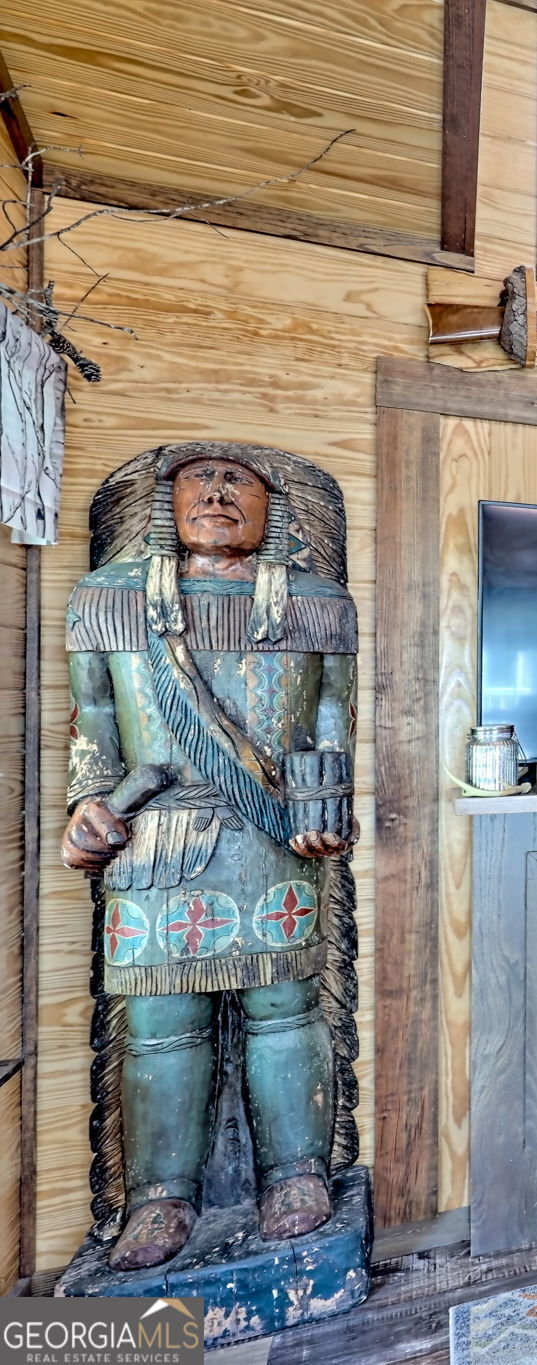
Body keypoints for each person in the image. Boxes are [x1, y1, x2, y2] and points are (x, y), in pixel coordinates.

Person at [63, 444, 358, 1271]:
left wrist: (323, 805)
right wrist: (89, 804)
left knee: (286, 1012)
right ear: (167, 501)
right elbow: (92, 719)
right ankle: (160, 1194)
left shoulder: (316, 602)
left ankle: (296, 1172)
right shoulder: (108, 599)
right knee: (161, 1025)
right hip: (156, 838)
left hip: (273, 837)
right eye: (202, 478)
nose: (221, 492)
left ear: (274, 509)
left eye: (240, 481)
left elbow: (331, 720)